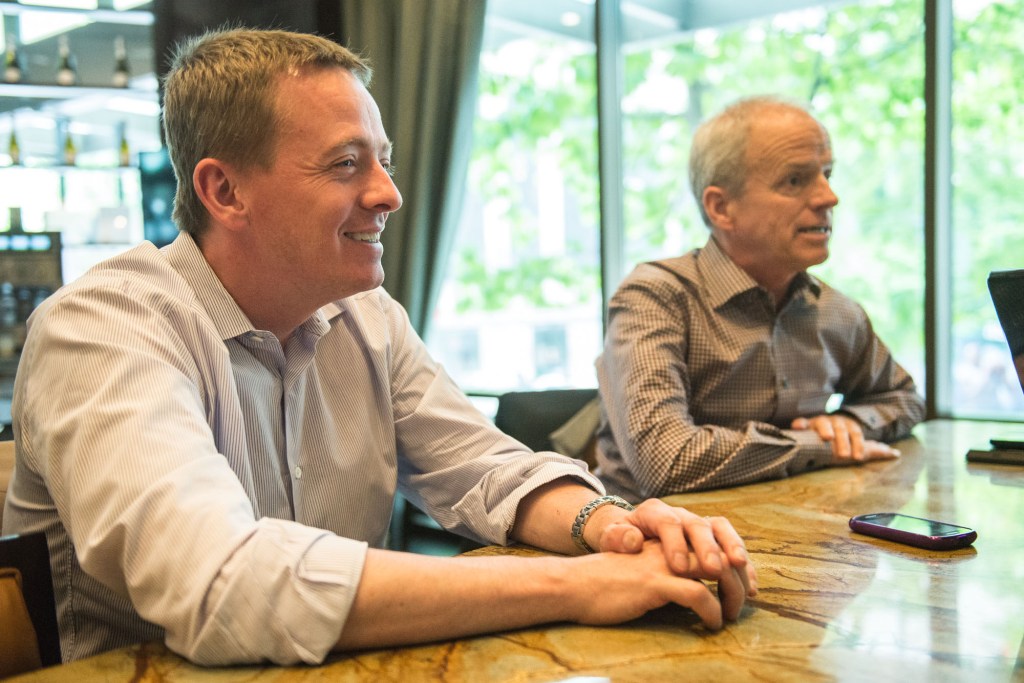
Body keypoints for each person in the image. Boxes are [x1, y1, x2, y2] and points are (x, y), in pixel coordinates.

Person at [1, 28, 756, 667]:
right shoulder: (101, 327)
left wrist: (612, 525)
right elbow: (221, 583)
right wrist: (579, 586)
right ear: (225, 191)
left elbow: (486, 469)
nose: (390, 192)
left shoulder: (366, 314)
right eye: (346, 163)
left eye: (384, 159)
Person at [595, 95, 926, 502]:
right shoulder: (656, 298)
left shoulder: (836, 312)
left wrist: (850, 425)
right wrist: (817, 446)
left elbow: (904, 398)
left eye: (827, 174)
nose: (828, 197)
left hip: (794, 535)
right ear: (721, 208)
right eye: (795, 180)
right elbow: (667, 460)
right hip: (649, 546)